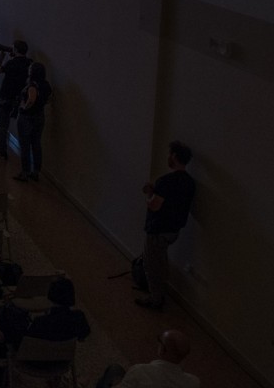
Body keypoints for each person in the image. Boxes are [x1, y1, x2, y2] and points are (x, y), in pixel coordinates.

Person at [137, 141, 196, 310]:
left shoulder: (165, 181)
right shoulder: (190, 183)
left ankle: (155, 299)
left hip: (158, 230)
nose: (168, 158)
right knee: (161, 261)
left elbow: (155, 205)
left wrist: (150, 193)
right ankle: (161, 292)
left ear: (175, 157)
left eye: (170, 155)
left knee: (151, 264)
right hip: (174, 230)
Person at [1, 276, 90, 348]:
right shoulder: (78, 318)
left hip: (36, 363)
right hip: (63, 363)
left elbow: (25, 343)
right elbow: (82, 336)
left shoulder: (41, 322)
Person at [97, 329, 200, 388]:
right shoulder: (194, 383)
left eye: (159, 340)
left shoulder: (140, 371)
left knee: (114, 369)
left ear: (162, 350)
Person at [14, 62, 52, 182]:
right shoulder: (46, 85)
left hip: (27, 117)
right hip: (40, 116)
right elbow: (49, 99)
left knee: (25, 145)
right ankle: (36, 171)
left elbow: (31, 98)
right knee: (36, 144)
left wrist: (24, 108)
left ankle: (25, 172)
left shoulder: (32, 85)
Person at [0, 40, 31, 158]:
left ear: (15, 50)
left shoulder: (10, 63)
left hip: (5, 95)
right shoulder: (29, 63)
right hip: (18, 98)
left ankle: (1, 150)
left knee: (3, 125)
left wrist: (2, 56)